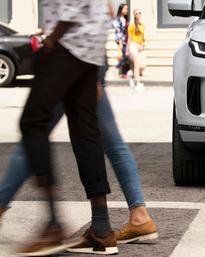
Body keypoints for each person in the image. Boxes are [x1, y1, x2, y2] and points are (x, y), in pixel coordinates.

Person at [16, 0, 116, 256]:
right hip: (87, 46)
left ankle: (54, 225)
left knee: (32, 121)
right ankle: (102, 228)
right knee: (85, 131)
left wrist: (52, 40)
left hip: (71, 44)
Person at [0, 64, 159, 244]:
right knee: (113, 144)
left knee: (33, 135)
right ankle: (138, 216)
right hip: (86, 71)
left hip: (68, 70)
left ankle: (58, 225)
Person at [127, 9, 146, 91]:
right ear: (134, 15)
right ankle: (138, 83)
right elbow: (129, 38)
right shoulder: (131, 26)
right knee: (137, 64)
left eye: (139, 13)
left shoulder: (142, 25)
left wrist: (143, 45)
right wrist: (127, 50)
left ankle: (131, 76)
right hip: (133, 45)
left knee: (143, 66)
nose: (138, 14)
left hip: (140, 46)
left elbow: (143, 37)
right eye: (136, 13)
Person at [114, 3, 129, 79]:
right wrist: (120, 43)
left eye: (127, 9)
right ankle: (117, 69)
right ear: (121, 9)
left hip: (126, 40)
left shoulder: (125, 19)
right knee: (125, 56)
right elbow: (119, 32)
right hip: (121, 40)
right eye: (125, 9)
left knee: (125, 56)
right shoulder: (117, 19)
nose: (127, 10)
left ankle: (122, 73)